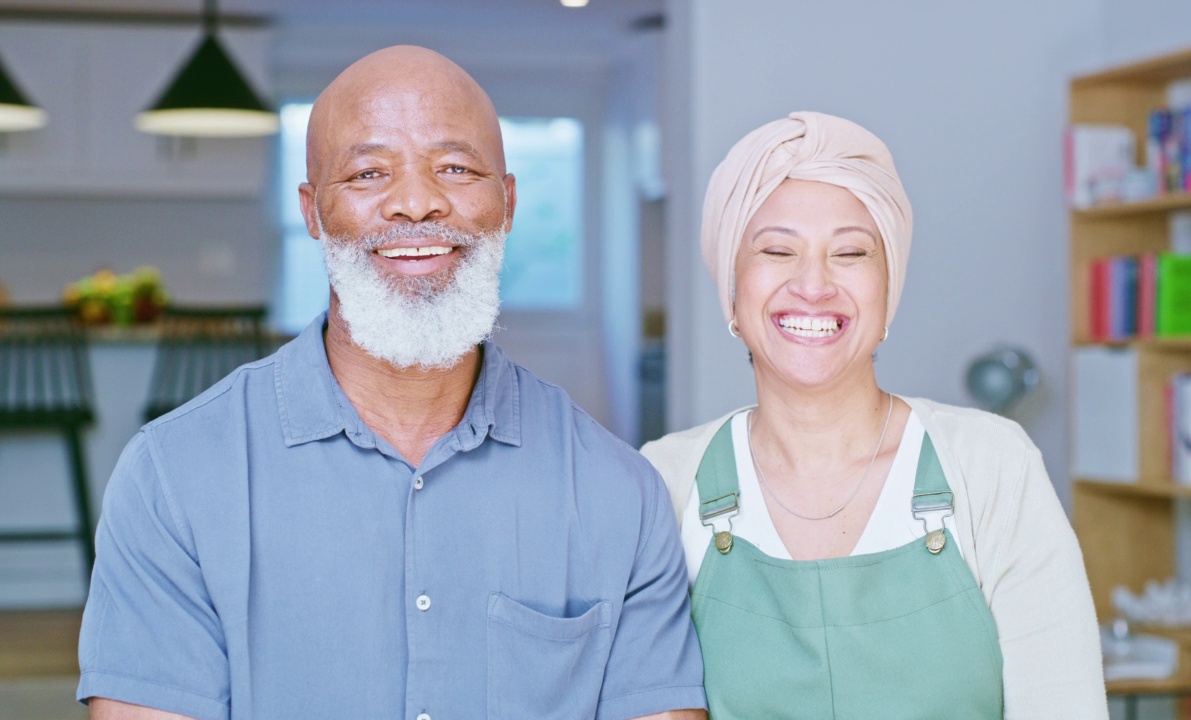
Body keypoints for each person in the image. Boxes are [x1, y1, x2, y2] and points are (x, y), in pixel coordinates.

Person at [77, 46, 707, 720]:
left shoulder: (619, 492)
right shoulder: (173, 477)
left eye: (455, 168)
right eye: (369, 172)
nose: (416, 203)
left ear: (509, 202)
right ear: (313, 211)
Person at [641, 112, 1107, 718]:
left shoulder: (991, 467)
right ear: (733, 291)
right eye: (777, 250)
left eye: (852, 252)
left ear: (889, 290)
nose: (813, 284)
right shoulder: (666, 481)